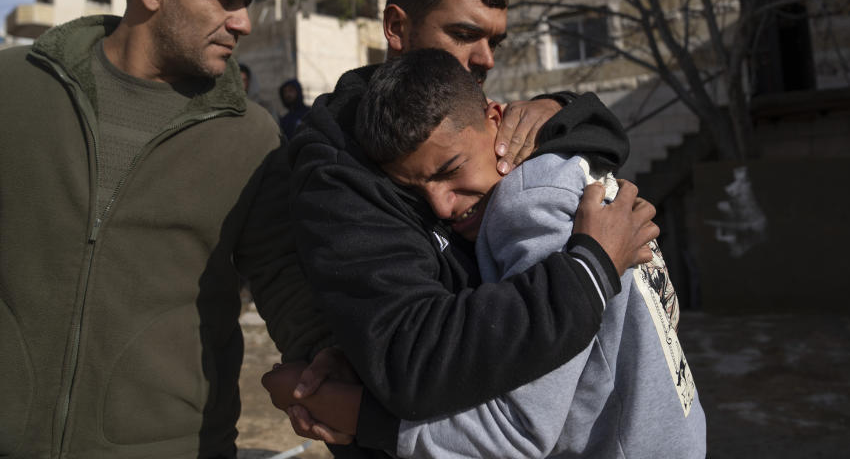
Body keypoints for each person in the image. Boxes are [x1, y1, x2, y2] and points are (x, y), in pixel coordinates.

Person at [288, 0, 659, 453]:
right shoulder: (340, 169)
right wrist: (589, 270)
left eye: (495, 42)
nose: (484, 59)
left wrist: (564, 109)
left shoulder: (497, 138)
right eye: (464, 35)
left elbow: (604, 139)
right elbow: (411, 357)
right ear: (396, 28)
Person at [0, 0, 329, 458]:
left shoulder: (251, 135)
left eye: (246, 2)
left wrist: (325, 359)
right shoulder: (14, 90)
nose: (243, 22)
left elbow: (281, 274)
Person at [270, 48, 707, 457]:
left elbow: (515, 431)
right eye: (416, 189)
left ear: (496, 117)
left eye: (451, 169)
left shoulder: (528, 203)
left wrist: (356, 414)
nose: (441, 205)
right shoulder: (570, 166)